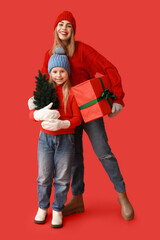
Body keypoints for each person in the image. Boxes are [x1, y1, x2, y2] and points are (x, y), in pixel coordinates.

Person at [28, 11, 134, 221]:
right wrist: (36, 103)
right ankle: (77, 198)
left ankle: (122, 195)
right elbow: (43, 82)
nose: (64, 28)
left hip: (89, 110)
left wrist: (117, 98)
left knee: (104, 152)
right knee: (74, 158)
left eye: (69, 25)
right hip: (66, 112)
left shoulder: (83, 50)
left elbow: (109, 68)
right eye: (60, 24)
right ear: (55, 29)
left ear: (73, 30)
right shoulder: (50, 54)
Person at [29, 46, 82, 228]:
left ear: (67, 72)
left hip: (66, 141)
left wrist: (64, 124)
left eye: (62, 71)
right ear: (50, 73)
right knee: (43, 177)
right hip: (45, 139)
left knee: (62, 178)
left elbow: (77, 118)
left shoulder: (73, 93)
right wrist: (37, 114)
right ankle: (42, 208)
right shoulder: (44, 91)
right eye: (55, 71)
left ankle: (58, 209)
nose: (58, 75)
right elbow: (32, 113)